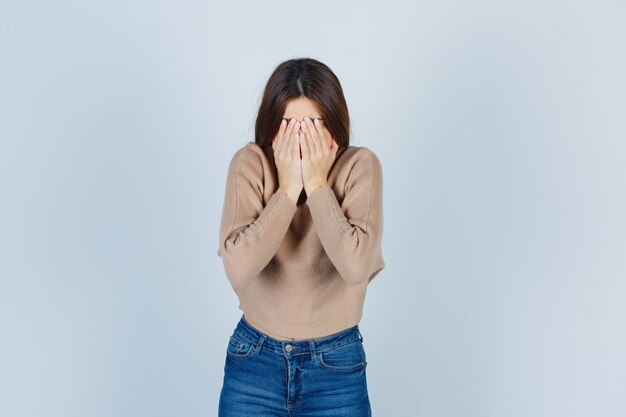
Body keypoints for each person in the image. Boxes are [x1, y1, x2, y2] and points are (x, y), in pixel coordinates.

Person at [217, 57, 385, 416]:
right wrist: (289, 188)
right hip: (254, 362)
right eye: (289, 123)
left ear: (333, 126)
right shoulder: (250, 164)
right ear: (271, 124)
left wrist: (319, 185)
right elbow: (239, 268)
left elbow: (355, 266)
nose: (299, 135)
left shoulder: (360, 167)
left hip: (336, 366)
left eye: (311, 123)